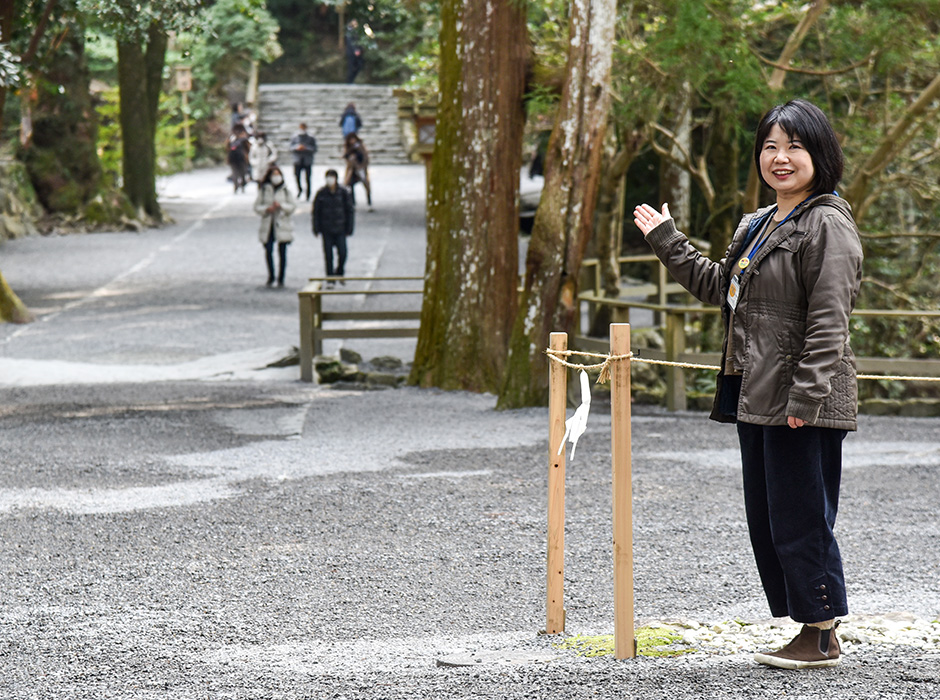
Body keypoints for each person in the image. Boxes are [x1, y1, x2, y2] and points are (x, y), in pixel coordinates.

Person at [633, 99, 863, 670]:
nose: (780, 159)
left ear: (821, 154)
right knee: (769, 515)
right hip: (756, 389)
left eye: (794, 147)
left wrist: (806, 398)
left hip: (800, 397)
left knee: (802, 514)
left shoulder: (827, 223)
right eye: (770, 147)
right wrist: (668, 239)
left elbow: (830, 319)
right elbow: (721, 290)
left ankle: (822, 632)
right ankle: (812, 628)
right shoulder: (759, 223)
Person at [253, 165, 296, 287]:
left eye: (278, 174)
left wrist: (281, 206)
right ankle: (271, 275)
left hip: (282, 224)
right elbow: (256, 207)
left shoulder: (286, 190)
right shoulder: (264, 190)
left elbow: (292, 207)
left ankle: (281, 277)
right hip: (268, 224)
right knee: (268, 250)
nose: (276, 177)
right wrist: (267, 209)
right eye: (274, 174)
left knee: (282, 252)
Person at [312, 169, 355, 285]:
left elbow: (349, 210)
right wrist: (316, 228)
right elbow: (316, 212)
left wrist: (349, 227)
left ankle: (340, 272)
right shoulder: (321, 193)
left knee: (343, 253)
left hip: (340, 228)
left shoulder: (343, 192)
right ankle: (330, 278)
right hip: (326, 228)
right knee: (328, 255)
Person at [343, 133, 372, 211]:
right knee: (350, 185)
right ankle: (352, 203)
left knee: (366, 184)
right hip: (351, 169)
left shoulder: (360, 146)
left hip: (360, 168)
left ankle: (369, 202)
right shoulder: (348, 148)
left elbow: (365, 157)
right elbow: (345, 156)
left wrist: (361, 164)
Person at [289, 123, 318, 201]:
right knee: (297, 176)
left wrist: (306, 148)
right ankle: (299, 189)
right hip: (298, 160)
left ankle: (308, 193)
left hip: (307, 160)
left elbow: (315, 148)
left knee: (308, 178)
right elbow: (290, 147)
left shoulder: (311, 137)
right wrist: (297, 147)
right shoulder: (295, 137)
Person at [227, 124, 251, 193]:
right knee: (240, 172)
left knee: (237, 173)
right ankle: (239, 186)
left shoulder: (232, 138)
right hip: (240, 158)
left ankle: (237, 186)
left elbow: (227, 148)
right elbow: (248, 148)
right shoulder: (242, 138)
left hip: (235, 158)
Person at [345, 19, 364, 84]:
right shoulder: (349, 31)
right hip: (352, 52)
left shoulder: (357, 31)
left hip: (359, 52)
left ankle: (351, 80)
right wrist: (355, 50)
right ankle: (350, 81)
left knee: (359, 65)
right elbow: (350, 42)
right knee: (351, 67)